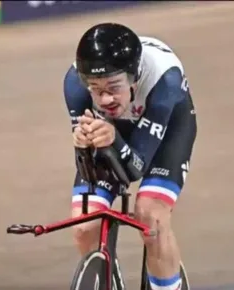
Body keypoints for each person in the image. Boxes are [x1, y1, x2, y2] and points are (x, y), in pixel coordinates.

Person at [64, 23, 197, 290]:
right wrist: (82, 146)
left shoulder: (165, 82)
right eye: (95, 89)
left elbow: (136, 167)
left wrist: (114, 139)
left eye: (113, 86)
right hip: (115, 130)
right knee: (84, 225)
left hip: (168, 128)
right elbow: (88, 166)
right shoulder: (74, 86)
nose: (104, 99)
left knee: (150, 217)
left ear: (134, 76)